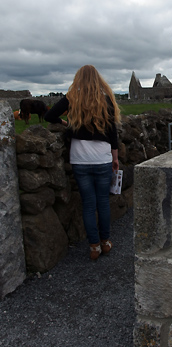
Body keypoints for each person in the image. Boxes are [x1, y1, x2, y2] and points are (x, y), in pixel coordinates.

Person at [45, 65, 121, 260]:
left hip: (80, 160)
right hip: (103, 159)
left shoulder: (72, 98)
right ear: (98, 79)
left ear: (78, 79)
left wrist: (68, 125)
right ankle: (105, 243)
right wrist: (115, 158)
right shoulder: (106, 100)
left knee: (88, 204)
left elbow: (50, 115)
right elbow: (113, 133)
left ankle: (93, 246)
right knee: (103, 202)